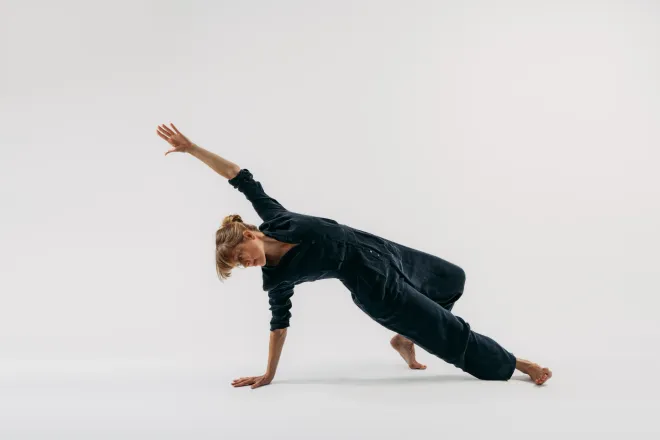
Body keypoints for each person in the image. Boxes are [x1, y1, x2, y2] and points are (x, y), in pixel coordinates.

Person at [156, 122, 552, 390]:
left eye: (241, 256)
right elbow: (279, 326)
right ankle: (515, 364)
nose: (246, 265)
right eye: (240, 267)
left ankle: (404, 338)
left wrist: (192, 149)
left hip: (382, 250)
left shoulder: (275, 217)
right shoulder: (276, 277)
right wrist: (268, 374)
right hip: (375, 287)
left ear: (248, 234)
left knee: (451, 278)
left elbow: (239, 176)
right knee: (444, 329)